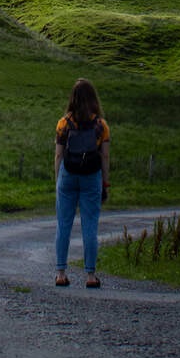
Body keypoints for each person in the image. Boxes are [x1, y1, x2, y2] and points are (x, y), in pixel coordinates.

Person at [53, 77, 110, 288]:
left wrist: (58, 179)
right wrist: (105, 182)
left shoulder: (63, 124)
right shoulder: (101, 126)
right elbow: (104, 157)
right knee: (90, 225)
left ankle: (60, 272)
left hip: (68, 174)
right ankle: (90, 276)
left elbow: (59, 156)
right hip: (91, 175)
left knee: (64, 224)